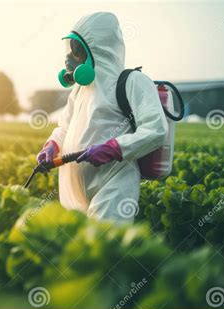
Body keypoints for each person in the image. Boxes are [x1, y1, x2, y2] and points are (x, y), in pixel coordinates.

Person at [37, 12, 167, 222]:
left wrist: (116, 148)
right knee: (79, 250)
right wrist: (52, 144)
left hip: (114, 184)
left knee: (105, 248)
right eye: (69, 49)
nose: (68, 58)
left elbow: (156, 129)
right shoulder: (80, 89)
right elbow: (64, 127)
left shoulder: (133, 82)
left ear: (98, 50)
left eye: (76, 50)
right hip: (75, 190)